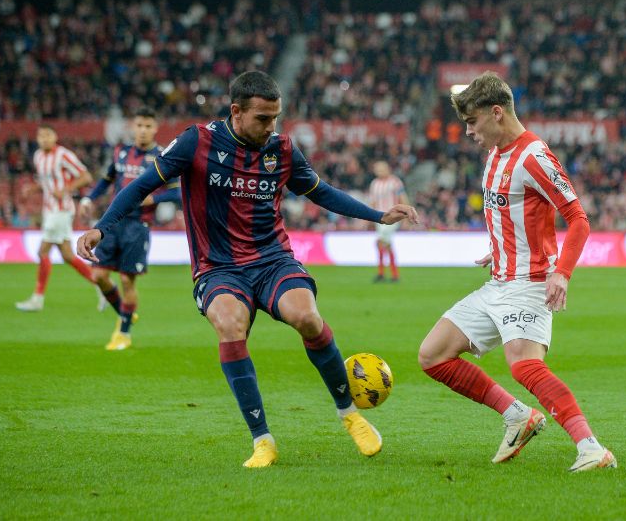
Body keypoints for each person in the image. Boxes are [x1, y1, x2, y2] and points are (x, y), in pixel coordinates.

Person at [77, 71, 417, 468]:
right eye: (262, 118)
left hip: (272, 259)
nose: (271, 126)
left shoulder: (283, 149)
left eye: (276, 117)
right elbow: (140, 186)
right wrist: (103, 227)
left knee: (306, 316)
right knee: (229, 324)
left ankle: (349, 414)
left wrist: (378, 214)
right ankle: (263, 440)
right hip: (218, 267)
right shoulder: (197, 141)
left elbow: (321, 192)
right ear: (236, 111)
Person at [417, 72, 616, 473]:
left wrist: (562, 273)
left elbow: (578, 219)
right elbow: (514, 214)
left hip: (529, 284)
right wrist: (499, 248)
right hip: (498, 282)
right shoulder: (494, 154)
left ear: (496, 113)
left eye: (472, 122)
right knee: (433, 355)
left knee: (524, 365)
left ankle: (592, 448)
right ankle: (517, 415)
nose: (468, 132)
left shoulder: (534, 156)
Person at [79, 107, 181, 350]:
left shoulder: (162, 156)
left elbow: (178, 191)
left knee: (127, 281)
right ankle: (125, 313)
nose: (143, 130)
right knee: (99, 276)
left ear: (155, 128)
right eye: (140, 125)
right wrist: (88, 199)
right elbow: (106, 180)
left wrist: (154, 200)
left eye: (148, 126)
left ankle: (123, 333)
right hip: (113, 223)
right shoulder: (121, 152)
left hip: (138, 225)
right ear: (133, 127)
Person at [15, 125, 95, 312]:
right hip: (49, 209)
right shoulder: (38, 156)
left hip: (61, 210)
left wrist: (66, 189)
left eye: (47, 135)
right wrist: (32, 189)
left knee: (43, 252)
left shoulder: (63, 155)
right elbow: (45, 182)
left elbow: (86, 176)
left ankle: (37, 298)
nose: (44, 139)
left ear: (55, 137)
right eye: (41, 135)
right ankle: (102, 286)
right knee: (67, 255)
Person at [368, 160, 408, 282]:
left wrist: (406, 216)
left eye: (381, 169)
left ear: (388, 169)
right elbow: (373, 201)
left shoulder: (395, 182)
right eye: (377, 169)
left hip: (392, 217)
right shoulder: (374, 183)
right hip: (379, 218)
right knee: (385, 243)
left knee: (381, 241)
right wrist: (368, 217)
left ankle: (384, 273)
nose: (379, 171)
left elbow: (403, 198)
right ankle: (392, 274)